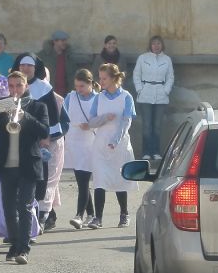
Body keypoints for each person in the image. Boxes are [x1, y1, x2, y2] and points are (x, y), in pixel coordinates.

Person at [0, 70, 51, 264]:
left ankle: (24, 249)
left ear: (26, 86)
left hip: (28, 165)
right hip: (6, 165)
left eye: (19, 85)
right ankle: (14, 244)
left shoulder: (38, 106)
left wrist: (24, 116)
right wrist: (1, 114)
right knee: (9, 208)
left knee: (25, 206)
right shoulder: (3, 104)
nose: (15, 90)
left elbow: (44, 130)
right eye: (11, 86)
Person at [12, 52, 66, 231]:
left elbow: (52, 115)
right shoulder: (12, 84)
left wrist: (46, 137)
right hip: (18, 140)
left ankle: (41, 216)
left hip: (40, 140)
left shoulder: (44, 87)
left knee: (43, 180)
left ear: (36, 68)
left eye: (29, 66)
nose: (26, 69)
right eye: (23, 65)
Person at [87, 63, 137, 229]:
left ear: (114, 78)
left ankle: (124, 214)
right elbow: (91, 122)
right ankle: (98, 218)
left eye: (104, 78)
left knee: (119, 178)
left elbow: (126, 121)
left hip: (119, 145)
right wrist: (104, 118)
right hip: (101, 144)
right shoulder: (98, 98)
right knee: (100, 179)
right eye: (100, 78)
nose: (100, 81)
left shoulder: (126, 97)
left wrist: (116, 140)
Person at [63, 69, 98, 229]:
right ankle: (91, 214)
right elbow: (63, 116)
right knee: (81, 180)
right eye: (76, 86)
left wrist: (91, 125)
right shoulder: (71, 97)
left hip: (89, 143)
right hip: (73, 142)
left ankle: (79, 215)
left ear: (90, 84)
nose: (79, 89)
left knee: (84, 180)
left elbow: (103, 120)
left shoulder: (98, 99)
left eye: (82, 86)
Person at [132, 35, 174, 161]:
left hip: (161, 95)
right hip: (146, 94)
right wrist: (140, 89)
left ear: (162, 45)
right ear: (150, 45)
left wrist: (166, 90)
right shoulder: (143, 58)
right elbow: (136, 74)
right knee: (147, 126)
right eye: (154, 43)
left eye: (158, 43)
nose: (156, 46)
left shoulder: (167, 59)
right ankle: (146, 152)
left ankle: (156, 151)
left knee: (157, 126)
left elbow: (170, 77)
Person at [38, 30, 83, 97]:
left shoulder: (69, 56)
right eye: (62, 40)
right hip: (49, 92)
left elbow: (73, 75)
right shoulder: (44, 56)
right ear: (55, 41)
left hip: (66, 93)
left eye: (65, 40)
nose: (65, 43)